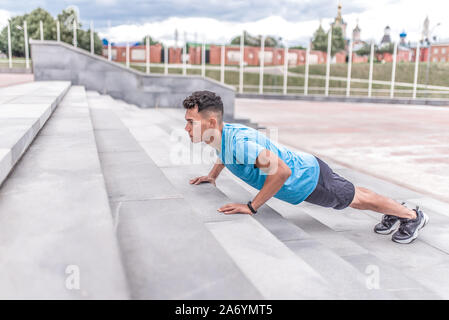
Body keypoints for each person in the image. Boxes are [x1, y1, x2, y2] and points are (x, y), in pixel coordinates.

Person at [183, 90, 429, 244]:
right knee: (356, 193)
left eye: (190, 122)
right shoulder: (220, 135)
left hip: (308, 180)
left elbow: (281, 172)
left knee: (355, 198)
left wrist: (251, 206)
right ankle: (397, 210)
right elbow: (223, 153)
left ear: (211, 121)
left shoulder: (239, 145)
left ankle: (412, 216)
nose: (186, 128)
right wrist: (211, 175)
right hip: (309, 168)